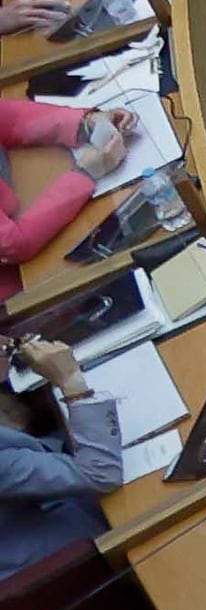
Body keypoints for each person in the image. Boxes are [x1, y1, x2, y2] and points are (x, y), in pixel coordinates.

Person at [0, 334, 128, 583]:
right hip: (72, 559)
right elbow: (101, 475)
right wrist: (71, 382)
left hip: (56, 482)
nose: (6, 342)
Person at [0, 84, 144, 296]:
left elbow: (10, 120)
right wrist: (84, 175)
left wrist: (84, 124)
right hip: (17, 285)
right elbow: (14, 243)